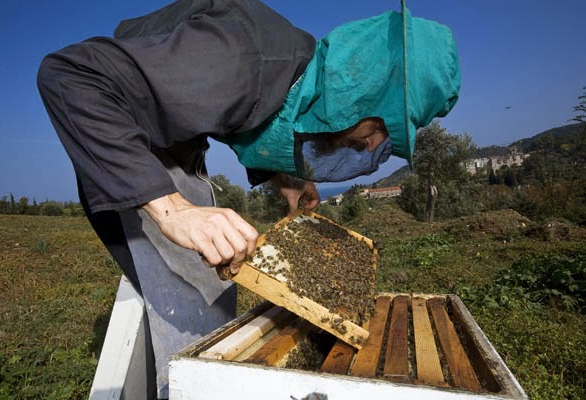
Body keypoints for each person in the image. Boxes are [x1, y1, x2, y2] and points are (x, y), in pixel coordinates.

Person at [37, 0, 460, 397]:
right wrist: (175, 211)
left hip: (175, 148)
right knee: (196, 321)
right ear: (363, 90)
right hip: (131, 148)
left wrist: (285, 179)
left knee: (215, 294)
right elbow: (69, 77)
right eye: (382, 129)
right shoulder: (239, 61)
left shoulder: (292, 68)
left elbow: (250, 117)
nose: (372, 147)